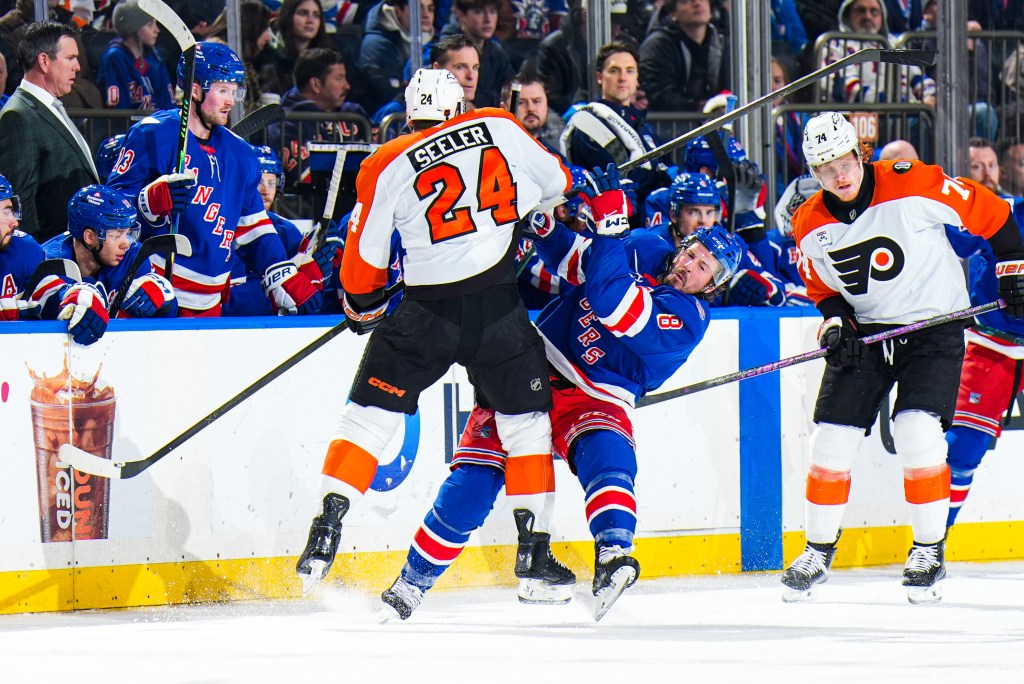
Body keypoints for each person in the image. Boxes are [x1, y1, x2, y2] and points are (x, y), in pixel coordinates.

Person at [378, 198, 744, 620]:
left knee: (609, 455)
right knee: (474, 483)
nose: (689, 265)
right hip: (533, 362)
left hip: (599, 392)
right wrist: (546, 229)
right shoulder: (646, 245)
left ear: (712, 286)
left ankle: (612, 553)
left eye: (703, 268)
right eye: (692, 253)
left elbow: (615, 308)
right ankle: (411, 582)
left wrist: (608, 233)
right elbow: (578, 263)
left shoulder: (690, 316)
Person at [294, 68, 573, 595]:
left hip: (426, 313)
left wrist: (365, 305)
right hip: (498, 312)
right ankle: (534, 551)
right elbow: (558, 181)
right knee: (526, 427)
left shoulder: (385, 162)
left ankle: (327, 528)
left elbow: (363, 264)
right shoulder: (497, 124)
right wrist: (527, 205)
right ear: (457, 107)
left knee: (368, 420)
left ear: (409, 113)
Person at [780, 112, 1024, 604]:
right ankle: (817, 549)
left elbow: (993, 213)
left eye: (845, 162)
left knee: (917, 431)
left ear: (860, 154)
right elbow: (823, 288)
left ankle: (929, 550)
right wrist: (834, 325)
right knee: (829, 439)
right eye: (826, 169)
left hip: (933, 328)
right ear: (813, 172)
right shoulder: (808, 222)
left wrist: (1013, 269)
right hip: (866, 335)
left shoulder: (913, 182)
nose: (840, 176)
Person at [108, 42, 323, 317]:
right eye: (222, 90)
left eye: (234, 92)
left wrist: (279, 272)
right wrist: (148, 203)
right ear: (195, 90)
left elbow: (254, 226)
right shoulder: (152, 135)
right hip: (157, 294)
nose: (231, 101)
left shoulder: (241, 154)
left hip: (212, 303)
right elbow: (111, 211)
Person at [0, 21, 101, 242]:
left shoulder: (50, 106)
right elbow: (18, 203)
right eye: (70, 58)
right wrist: (40, 260)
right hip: (51, 258)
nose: (78, 66)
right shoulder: (18, 116)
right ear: (44, 61)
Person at [561, 41, 670, 225]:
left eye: (629, 71)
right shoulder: (587, 123)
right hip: (609, 225)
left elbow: (665, 166)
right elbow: (620, 175)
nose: (622, 78)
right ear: (599, 77)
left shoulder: (643, 125)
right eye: (614, 70)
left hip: (652, 222)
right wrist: (664, 177)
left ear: (637, 78)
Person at [223, 145, 336, 316]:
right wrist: (291, 287)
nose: (265, 191)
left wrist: (319, 274)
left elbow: (307, 301)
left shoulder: (286, 230)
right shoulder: (221, 225)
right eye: (259, 182)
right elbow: (225, 303)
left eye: (272, 183)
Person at [646, 172, 786, 307]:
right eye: (693, 212)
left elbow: (776, 287)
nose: (703, 221)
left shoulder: (729, 245)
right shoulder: (652, 242)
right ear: (674, 214)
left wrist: (767, 291)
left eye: (709, 212)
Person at [0, 174, 109, 345]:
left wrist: (76, 296)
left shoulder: (23, 249)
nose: (14, 222)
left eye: (12, 210)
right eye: (6, 212)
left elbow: (48, 292)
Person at [42, 184, 178, 319]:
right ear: (89, 237)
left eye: (128, 233)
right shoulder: (49, 265)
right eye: (117, 235)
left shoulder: (132, 255)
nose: (125, 243)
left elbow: (165, 324)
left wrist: (165, 304)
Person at [270, 48, 369, 189]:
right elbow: (308, 181)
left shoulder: (355, 115)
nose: (347, 86)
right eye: (339, 79)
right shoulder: (287, 123)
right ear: (315, 84)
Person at [638, 0, 730, 112]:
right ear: (673, 14)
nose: (697, 3)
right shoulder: (658, 45)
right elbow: (657, 94)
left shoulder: (722, 43)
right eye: (686, 1)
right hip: (671, 124)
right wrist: (699, 107)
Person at [359, 0, 436, 114]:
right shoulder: (376, 44)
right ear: (398, 11)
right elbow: (386, 93)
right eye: (419, 9)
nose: (426, 15)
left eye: (430, 9)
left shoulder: (435, 42)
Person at [434, 0, 513, 108]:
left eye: (492, 12)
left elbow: (510, 94)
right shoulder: (445, 49)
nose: (488, 20)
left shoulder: (498, 55)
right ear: (461, 15)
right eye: (478, 12)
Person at [98, 0, 174, 111]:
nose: (157, 30)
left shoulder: (155, 57)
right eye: (150, 25)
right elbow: (118, 112)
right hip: (131, 127)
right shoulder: (115, 58)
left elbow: (169, 104)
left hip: (159, 125)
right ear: (134, 28)